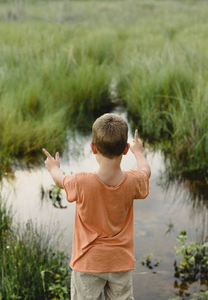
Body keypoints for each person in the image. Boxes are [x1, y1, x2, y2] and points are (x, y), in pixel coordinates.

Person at [42, 113, 151, 300]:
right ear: (125, 149)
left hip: (88, 263)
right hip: (120, 262)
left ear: (93, 147)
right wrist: (139, 152)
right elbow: (146, 172)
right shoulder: (133, 181)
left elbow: (60, 180)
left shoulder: (81, 182)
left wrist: (53, 167)